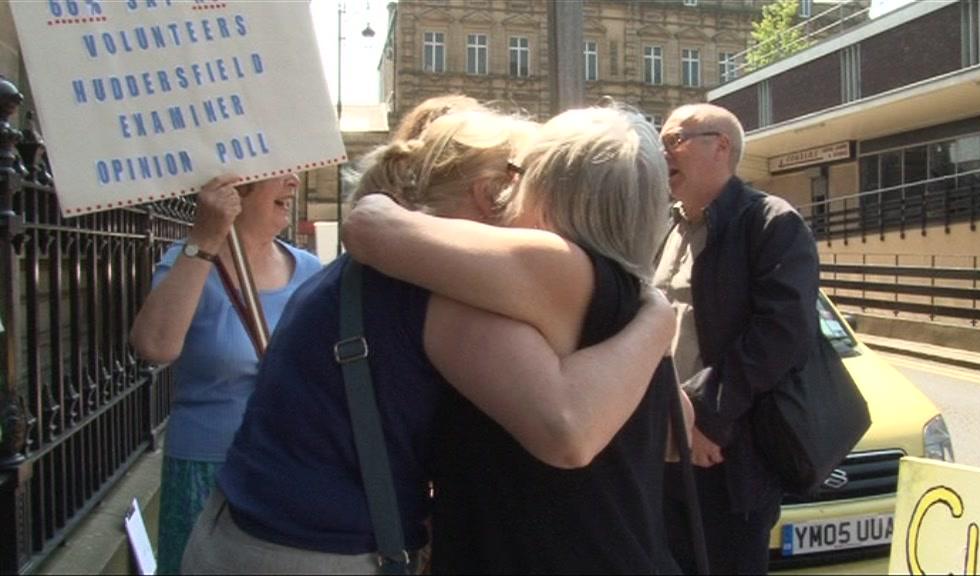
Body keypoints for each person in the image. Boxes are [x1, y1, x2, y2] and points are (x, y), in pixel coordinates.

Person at [180, 107, 677, 574]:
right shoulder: (444, 285)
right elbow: (573, 429)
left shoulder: (367, 273)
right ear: (491, 192)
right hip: (310, 552)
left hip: (249, 528)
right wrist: (657, 318)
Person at [342, 104, 682, 573]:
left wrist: (385, 198)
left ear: (545, 185)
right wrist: (658, 318)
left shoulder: (549, 267)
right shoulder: (631, 299)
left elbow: (369, 228)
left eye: (518, 172)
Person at [654, 103, 820, 574]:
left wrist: (705, 418)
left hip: (725, 453)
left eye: (674, 141)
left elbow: (781, 335)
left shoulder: (771, 222)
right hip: (662, 447)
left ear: (720, 146)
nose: (663, 153)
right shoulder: (663, 225)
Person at [128, 173, 322, 575]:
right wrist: (206, 239)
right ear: (239, 187)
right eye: (280, 171)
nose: (294, 182)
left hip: (287, 466)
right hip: (207, 470)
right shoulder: (190, 260)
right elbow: (154, 346)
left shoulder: (309, 271)